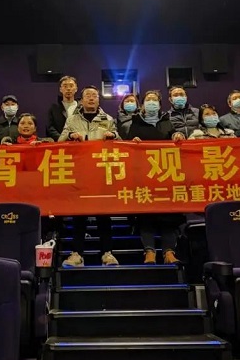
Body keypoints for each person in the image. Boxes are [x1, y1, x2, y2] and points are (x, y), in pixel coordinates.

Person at [59, 85, 119, 267]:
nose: (91, 98)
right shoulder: (72, 119)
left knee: (104, 215)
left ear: (99, 100)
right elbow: (60, 142)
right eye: (88, 96)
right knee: (79, 215)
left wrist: (113, 135)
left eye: (94, 95)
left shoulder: (108, 119)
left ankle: (107, 253)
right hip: (80, 173)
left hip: (101, 173)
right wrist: (70, 136)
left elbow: (120, 143)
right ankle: (77, 254)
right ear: (82, 100)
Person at [122, 90, 183, 264]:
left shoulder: (166, 121)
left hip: (167, 174)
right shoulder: (135, 123)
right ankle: (149, 252)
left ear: (160, 104)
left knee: (168, 215)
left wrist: (178, 136)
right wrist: (132, 142)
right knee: (146, 215)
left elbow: (174, 140)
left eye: (154, 100)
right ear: (142, 104)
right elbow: (127, 148)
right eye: (148, 99)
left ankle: (169, 252)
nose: (151, 102)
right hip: (144, 176)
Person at [46, 76, 79, 141]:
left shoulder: (81, 107)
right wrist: (62, 138)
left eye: (71, 86)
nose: (68, 89)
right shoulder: (54, 108)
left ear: (76, 89)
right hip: (61, 142)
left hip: (79, 141)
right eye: (65, 86)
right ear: (60, 89)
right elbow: (50, 127)